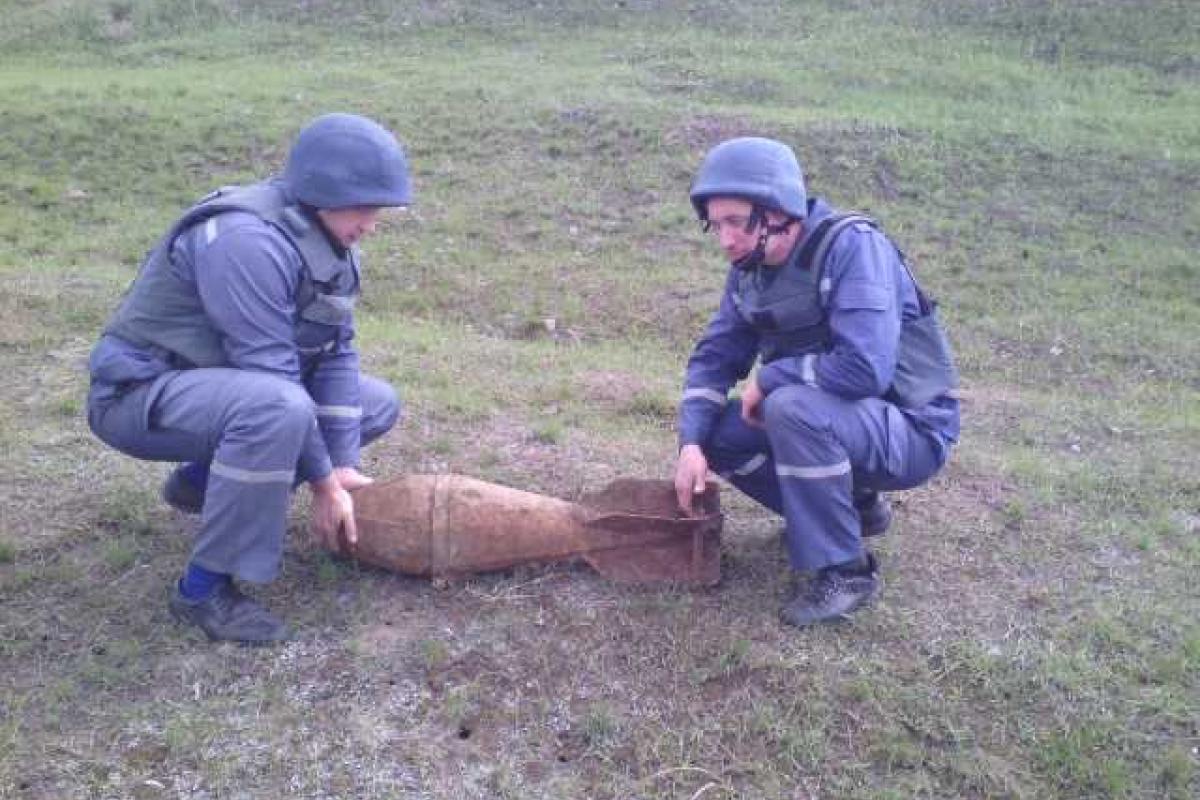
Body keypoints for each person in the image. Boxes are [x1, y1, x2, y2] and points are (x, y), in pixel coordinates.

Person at [86, 113, 411, 644]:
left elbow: (336, 353)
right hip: (138, 395)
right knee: (276, 409)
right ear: (327, 193)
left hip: (213, 391)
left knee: (373, 403)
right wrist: (323, 484)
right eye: (367, 207)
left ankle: (200, 484)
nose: (372, 224)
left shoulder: (328, 244)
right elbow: (272, 374)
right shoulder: (245, 241)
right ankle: (202, 591)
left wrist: (342, 465)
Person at [673, 137, 960, 627]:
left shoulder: (853, 247)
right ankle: (856, 509)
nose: (725, 240)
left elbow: (866, 368)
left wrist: (771, 377)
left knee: (789, 406)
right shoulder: (749, 271)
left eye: (736, 221)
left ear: (777, 211)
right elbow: (715, 356)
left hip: (912, 429)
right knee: (719, 433)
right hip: (842, 421)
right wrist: (691, 443)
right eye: (715, 225)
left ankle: (846, 572)